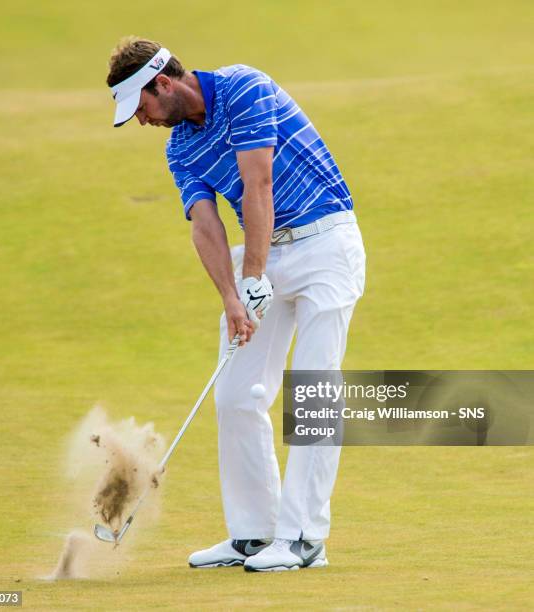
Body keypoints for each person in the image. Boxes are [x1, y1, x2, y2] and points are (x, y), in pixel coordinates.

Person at [107, 37, 366, 572]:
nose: (142, 121)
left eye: (143, 107)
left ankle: (302, 539)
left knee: (316, 387)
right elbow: (205, 224)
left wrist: (253, 277)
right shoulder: (180, 147)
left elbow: (258, 183)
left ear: (163, 83)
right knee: (235, 397)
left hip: (326, 243)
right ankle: (254, 533)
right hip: (265, 255)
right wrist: (232, 298)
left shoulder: (243, 86)